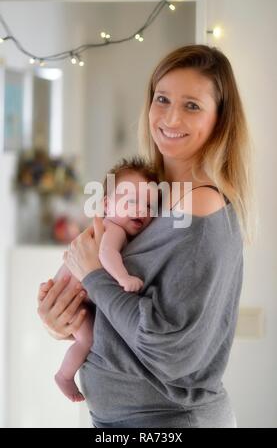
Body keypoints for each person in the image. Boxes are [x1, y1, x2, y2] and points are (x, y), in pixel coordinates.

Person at [37, 44, 256, 428]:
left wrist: (94, 277)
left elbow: (169, 351)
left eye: (192, 105)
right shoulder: (147, 202)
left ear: (220, 119)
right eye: (162, 98)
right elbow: (118, 314)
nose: (170, 117)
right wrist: (61, 318)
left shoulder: (201, 209)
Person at [53, 157, 159, 402]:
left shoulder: (111, 227)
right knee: (86, 339)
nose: (141, 210)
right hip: (71, 298)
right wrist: (124, 278)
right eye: (131, 201)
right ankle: (64, 375)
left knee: (86, 337)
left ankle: (64, 375)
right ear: (107, 205)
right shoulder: (113, 229)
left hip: (72, 297)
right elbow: (106, 254)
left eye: (149, 205)